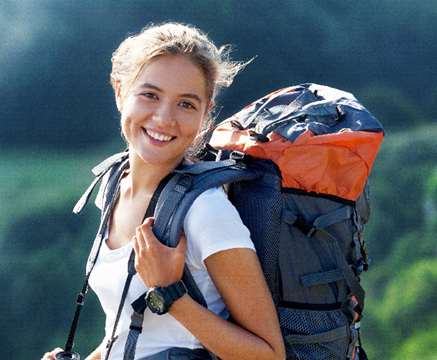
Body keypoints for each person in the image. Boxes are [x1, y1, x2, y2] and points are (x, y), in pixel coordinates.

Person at [42, 22, 285, 360]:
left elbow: (269, 356)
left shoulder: (205, 211)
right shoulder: (112, 186)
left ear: (206, 114)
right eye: (150, 95)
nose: (164, 117)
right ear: (119, 91)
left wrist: (170, 295)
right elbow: (128, 332)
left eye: (186, 104)